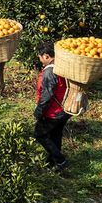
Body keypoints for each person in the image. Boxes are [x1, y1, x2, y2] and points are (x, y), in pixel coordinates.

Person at [33, 40, 70, 171]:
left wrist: (39, 111)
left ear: (46, 56)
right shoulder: (62, 67)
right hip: (65, 109)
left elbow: (47, 95)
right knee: (55, 135)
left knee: (40, 134)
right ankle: (52, 161)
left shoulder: (49, 72)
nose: (40, 59)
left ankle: (60, 161)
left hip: (54, 112)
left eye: (40, 56)